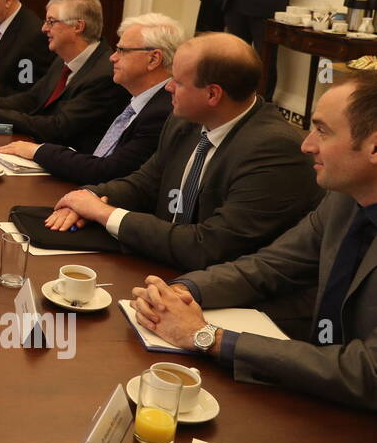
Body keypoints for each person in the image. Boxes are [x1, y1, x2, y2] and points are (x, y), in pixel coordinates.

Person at [131, 70, 377, 411]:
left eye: (322, 130)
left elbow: (367, 372)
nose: (306, 144)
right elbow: (269, 265)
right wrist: (181, 292)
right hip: (319, 394)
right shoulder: (345, 200)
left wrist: (208, 337)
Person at [45, 33, 322, 271]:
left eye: (177, 81)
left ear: (213, 95)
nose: (167, 87)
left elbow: (208, 246)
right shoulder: (184, 120)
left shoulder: (273, 150)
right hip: (161, 262)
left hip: (221, 288)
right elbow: (145, 183)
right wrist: (87, 198)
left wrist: (105, 214)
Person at [0, 13, 180, 184]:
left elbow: (106, 170)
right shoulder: (137, 99)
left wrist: (38, 151)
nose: (112, 57)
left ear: (154, 59)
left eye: (122, 50)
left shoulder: (161, 112)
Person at [0, 0, 128, 153]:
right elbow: (32, 98)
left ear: (78, 27)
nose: (43, 28)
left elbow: (59, 126)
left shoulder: (104, 74)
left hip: (70, 164)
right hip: (41, 148)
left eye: (51, 21)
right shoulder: (63, 59)